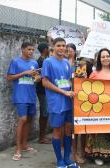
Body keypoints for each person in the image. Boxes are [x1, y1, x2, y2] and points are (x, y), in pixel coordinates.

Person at [41, 38, 79, 168]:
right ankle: (59, 161)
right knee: (57, 131)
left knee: (68, 131)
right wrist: (64, 92)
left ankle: (67, 159)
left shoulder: (67, 63)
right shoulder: (48, 62)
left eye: (64, 46)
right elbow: (45, 82)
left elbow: (70, 81)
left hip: (68, 101)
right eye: (59, 46)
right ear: (53, 47)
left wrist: (75, 89)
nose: (62, 48)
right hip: (56, 102)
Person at [7, 42, 40, 161]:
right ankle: (18, 149)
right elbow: (9, 77)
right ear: (22, 49)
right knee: (23, 119)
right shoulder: (15, 62)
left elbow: (36, 77)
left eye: (32, 49)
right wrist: (24, 73)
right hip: (20, 96)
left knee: (29, 120)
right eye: (28, 49)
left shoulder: (34, 63)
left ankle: (25, 145)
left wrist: (37, 78)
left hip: (31, 96)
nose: (31, 52)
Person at [66, 43, 86, 165]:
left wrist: (84, 76)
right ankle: (73, 153)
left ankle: (83, 151)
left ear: (75, 51)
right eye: (67, 50)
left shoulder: (81, 64)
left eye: (71, 50)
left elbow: (87, 79)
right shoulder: (63, 64)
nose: (68, 52)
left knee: (81, 128)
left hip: (81, 98)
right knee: (72, 129)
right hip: (68, 97)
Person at [36, 43, 51, 144]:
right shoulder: (41, 61)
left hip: (45, 90)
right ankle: (41, 137)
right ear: (45, 49)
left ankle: (43, 136)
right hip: (42, 91)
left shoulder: (44, 60)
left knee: (46, 113)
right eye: (48, 48)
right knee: (44, 113)